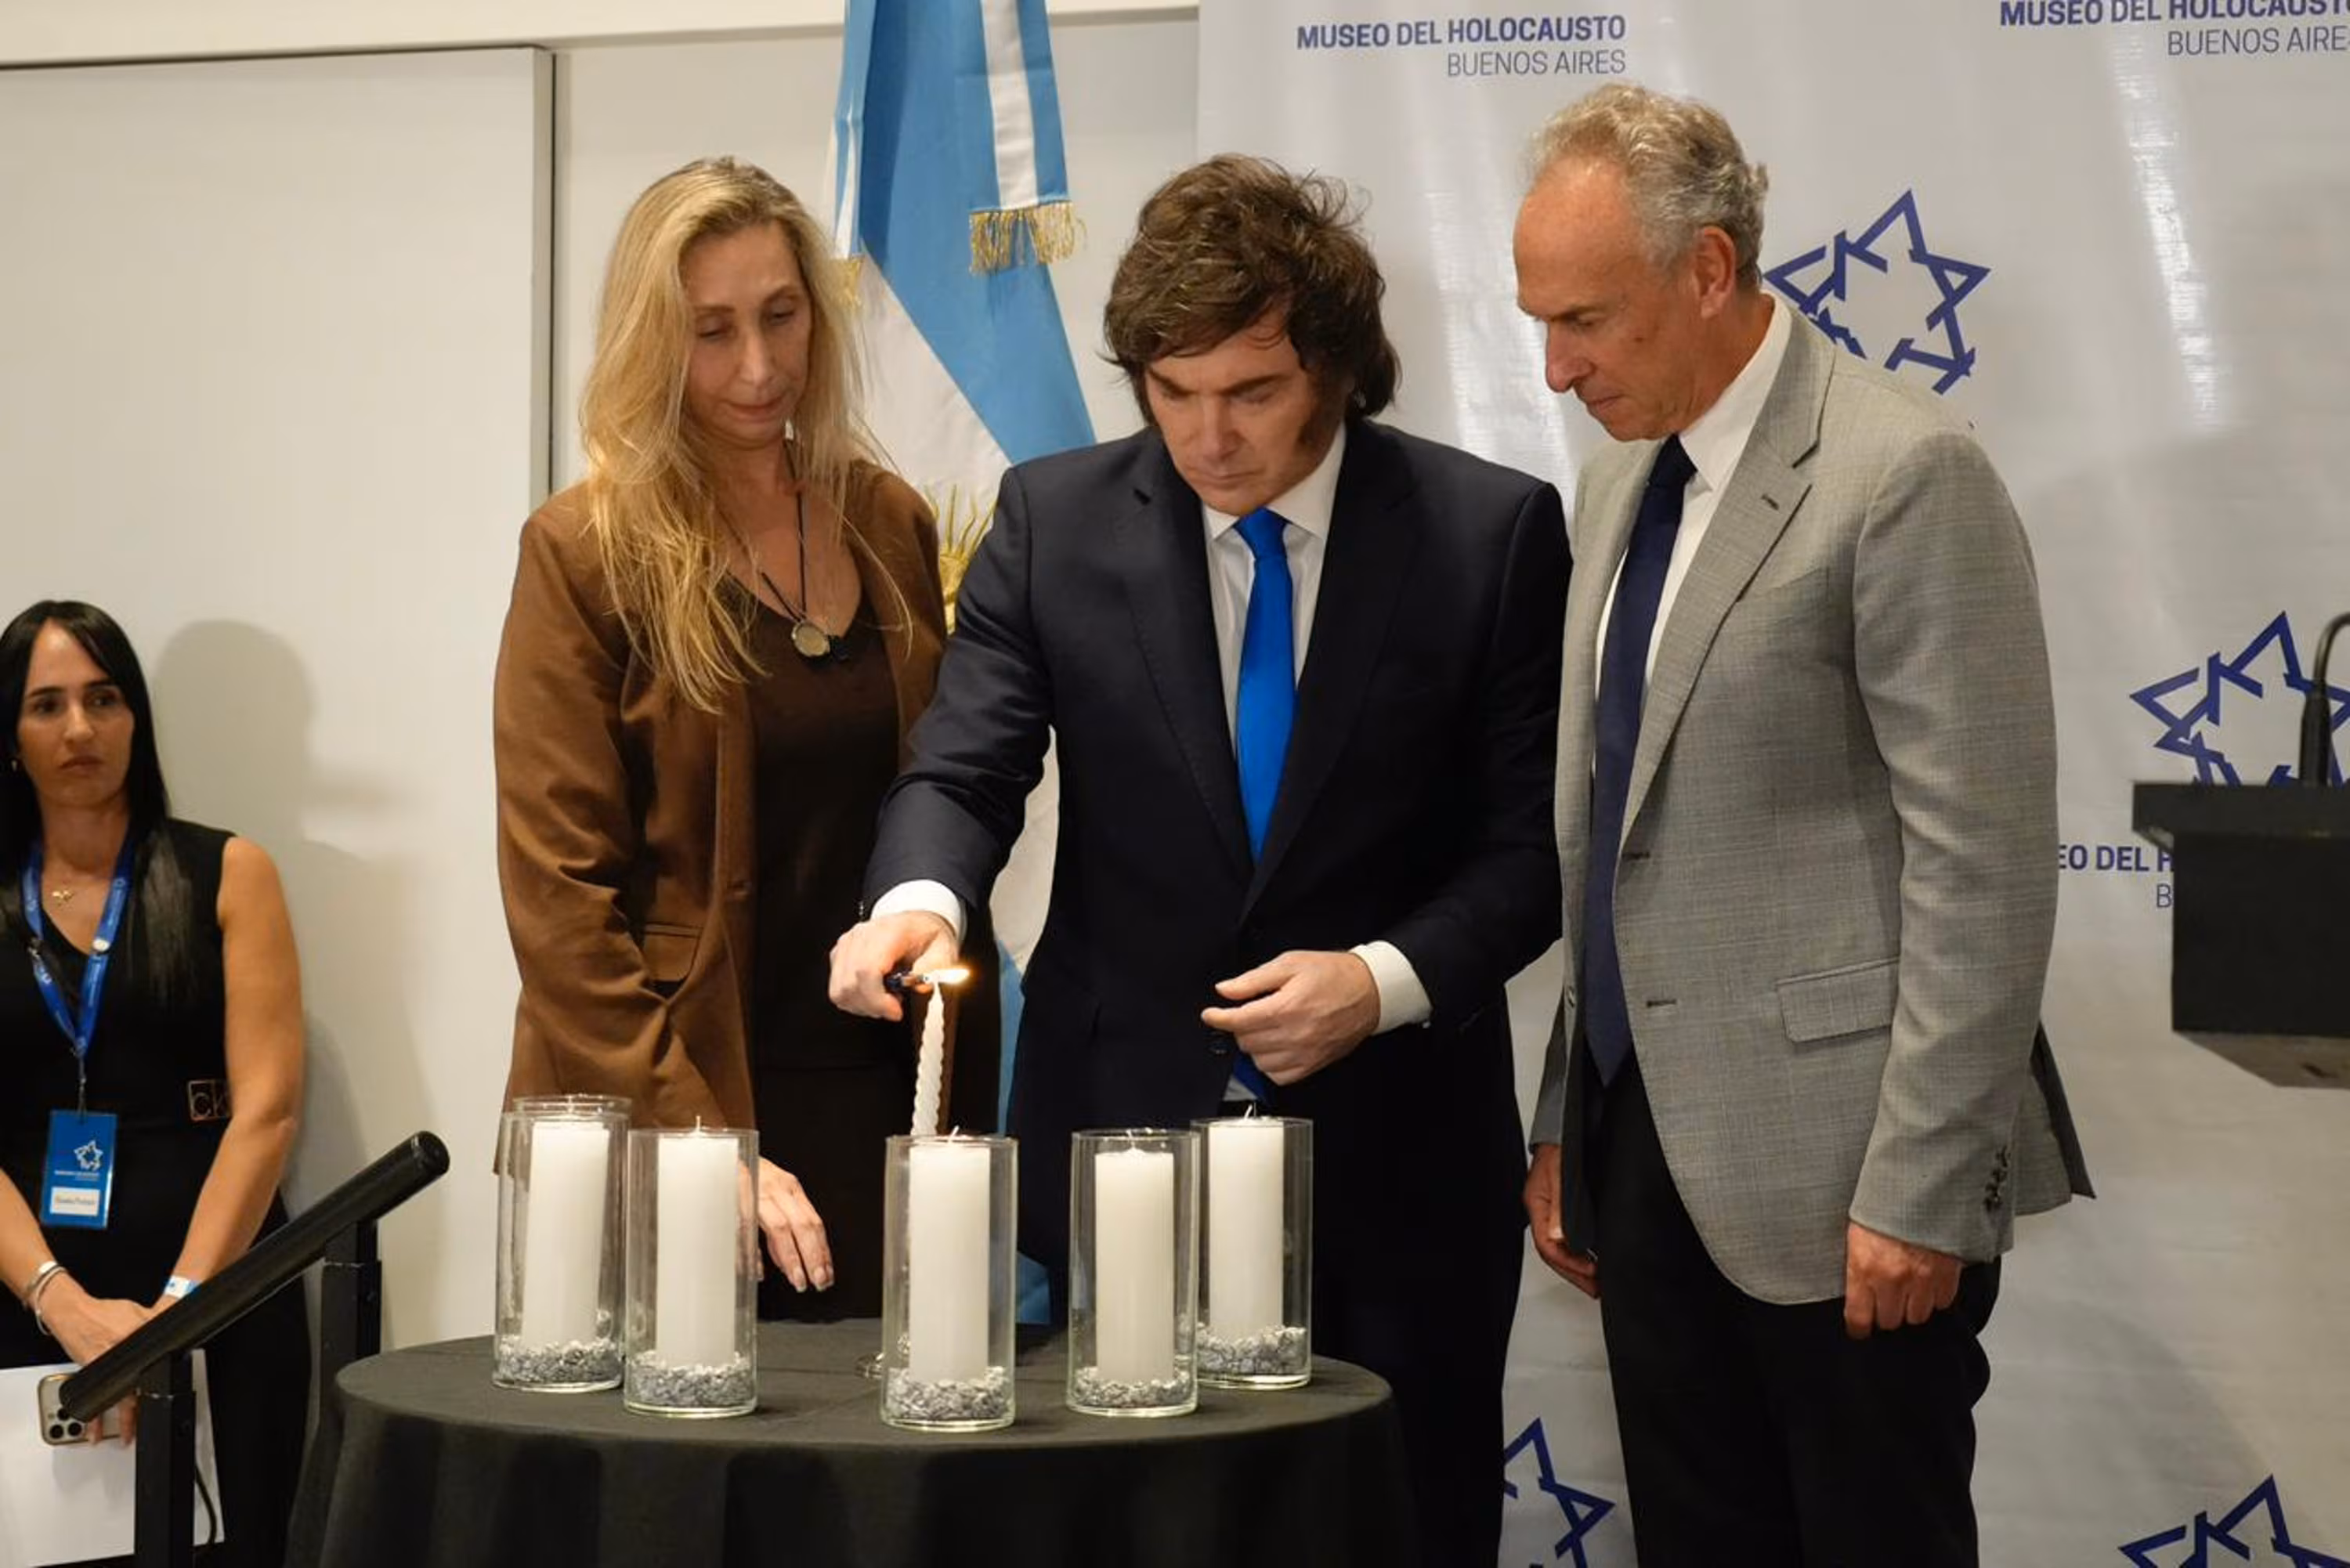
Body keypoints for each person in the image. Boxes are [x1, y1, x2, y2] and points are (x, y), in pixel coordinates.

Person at [830, 154, 1568, 1564]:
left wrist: (1383, 976)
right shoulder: (1054, 524)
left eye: (1253, 393)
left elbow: (1531, 847)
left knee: (1400, 1524)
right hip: (1127, 1143)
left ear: (1339, 370)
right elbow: (966, 765)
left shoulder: (1489, 534)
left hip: (1396, 1156)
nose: (1209, 437)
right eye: (1171, 395)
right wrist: (919, 898)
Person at [1514, 84, 2094, 1566]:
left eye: (1586, 319)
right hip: (1647, 1177)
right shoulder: (1613, 486)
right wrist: (1568, 1124)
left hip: (1852, 1193)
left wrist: (1919, 1187)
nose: (1559, 366)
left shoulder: (1903, 473)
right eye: (1541, 322)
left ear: (1709, 273)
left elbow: (1986, 863)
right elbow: (1614, 830)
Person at [493, 157, 996, 1321]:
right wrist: (701, 1140)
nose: (758, 368)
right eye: (711, 331)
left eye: (780, 317)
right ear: (649, 339)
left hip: (884, 1087)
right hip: (673, 1087)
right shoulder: (586, 552)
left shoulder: (885, 520)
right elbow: (560, 903)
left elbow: (945, 787)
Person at [0, 600, 310, 1566]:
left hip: (216, 1285)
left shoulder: (227, 871)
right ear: (9, 735)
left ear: (137, 715)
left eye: (103, 698)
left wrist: (180, 1312)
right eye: (46, 705)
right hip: (27, 1285)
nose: (81, 729)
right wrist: (60, 1302)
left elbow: (267, 1111)